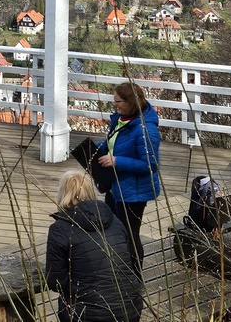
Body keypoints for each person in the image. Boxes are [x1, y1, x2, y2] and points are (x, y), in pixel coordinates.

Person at [45, 169, 143, 322]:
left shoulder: (60, 229)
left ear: (63, 193)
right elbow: (132, 262)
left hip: (87, 313)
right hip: (130, 307)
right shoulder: (116, 221)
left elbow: (55, 282)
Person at [96, 81, 161, 276]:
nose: (114, 105)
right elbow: (113, 141)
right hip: (115, 187)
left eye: (118, 101)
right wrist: (95, 149)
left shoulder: (145, 129)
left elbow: (150, 165)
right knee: (112, 232)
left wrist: (117, 161)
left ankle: (134, 278)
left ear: (130, 101)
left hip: (133, 193)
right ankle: (116, 273)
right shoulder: (120, 119)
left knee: (129, 236)